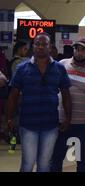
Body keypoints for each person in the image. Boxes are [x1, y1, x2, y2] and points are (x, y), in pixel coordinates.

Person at [7, 33, 72, 172]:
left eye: (44, 44)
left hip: (51, 125)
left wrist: (68, 118)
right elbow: (13, 95)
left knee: (44, 164)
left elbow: (66, 95)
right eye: (37, 44)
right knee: (28, 163)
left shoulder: (59, 69)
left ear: (51, 47)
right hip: (28, 124)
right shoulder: (22, 68)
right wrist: (9, 118)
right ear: (33, 47)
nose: (40, 47)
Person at [50, 38, 85, 172]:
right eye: (76, 49)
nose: (79, 52)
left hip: (83, 125)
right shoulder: (62, 65)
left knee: (80, 160)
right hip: (61, 121)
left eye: (83, 49)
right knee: (56, 158)